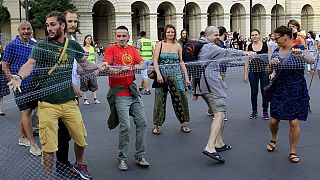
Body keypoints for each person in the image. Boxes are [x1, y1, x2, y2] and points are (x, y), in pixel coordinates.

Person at [8, 11, 93, 180]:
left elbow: (86, 65)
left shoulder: (73, 45)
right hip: (47, 105)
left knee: (81, 140)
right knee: (48, 147)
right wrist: (18, 76)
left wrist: (105, 67)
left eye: (52, 24)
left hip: (69, 103)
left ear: (62, 25)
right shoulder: (41, 45)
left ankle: (78, 165)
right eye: (47, 25)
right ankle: (48, 178)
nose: (49, 28)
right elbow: (29, 64)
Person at [193, 26, 254, 162]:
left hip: (204, 84)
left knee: (221, 113)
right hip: (212, 85)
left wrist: (194, 90)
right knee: (219, 114)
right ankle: (210, 146)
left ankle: (219, 142)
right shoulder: (210, 47)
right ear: (209, 35)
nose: (218, 37)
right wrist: (245, 53)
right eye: (216, 35)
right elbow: (226, 52)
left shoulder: (201, 45)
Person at [103, 25, 149, 171]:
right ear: (115, 37)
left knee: (142, 123)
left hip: (133, 92)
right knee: (126, 126)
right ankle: (121, 158)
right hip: (120, 93)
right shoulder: (111, 49)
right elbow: (106, 66)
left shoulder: (132, 50)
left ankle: (140, 155)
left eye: (124, 36)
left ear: (128, 37)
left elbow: (141, 63)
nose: (122, 38)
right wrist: (117, 69)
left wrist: (140, 66)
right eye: (119, 36)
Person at [266, 26, 313, 163]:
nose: (275, 41)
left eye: (276, 38)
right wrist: (271, 70)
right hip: (279, 88)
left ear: (285, 37)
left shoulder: (299, 48)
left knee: (294, 122)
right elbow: (270, 71)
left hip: (296, 89)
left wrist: (301, 54)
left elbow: (311, 60)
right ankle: (274, 137)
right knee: (274, 120)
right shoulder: (275, 51)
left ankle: (292, 151)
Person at [2, 21, 41, 156]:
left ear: (32, 31)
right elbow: (5, 65)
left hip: (33, 84)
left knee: (29, 112)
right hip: (19, 85)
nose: (26, 31)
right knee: (26, 112)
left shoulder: (33, 44)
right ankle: (32, 144)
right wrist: (11, 80)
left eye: (28, 29)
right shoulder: (12, 45)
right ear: (18, 31)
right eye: (23, 29)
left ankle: (22, 137)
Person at [55, 9, 84, 178]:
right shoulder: (59, 42)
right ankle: (62, 165)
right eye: (70, 21)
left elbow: (79, 65)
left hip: (71, 92)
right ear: (63, 22)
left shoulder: (72, 40)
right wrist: (72, 86)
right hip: (61, 93)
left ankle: (64, 164)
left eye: (75, 21)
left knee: (68, 131)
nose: (73, 24)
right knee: (63, 132)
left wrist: (101, 68)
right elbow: (58, 71)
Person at [152, 24, 190, 134]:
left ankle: (184, 123)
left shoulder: (178, 45)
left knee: (181, 97)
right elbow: (155, 61)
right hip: (162, 75)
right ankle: (156, 125)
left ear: (175, 33)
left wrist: (186, 76)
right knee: (159, 99)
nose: (170, 34)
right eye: (168, 32)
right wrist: (158, 74)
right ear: (165, 33)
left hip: (176, 75)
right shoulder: (160, 44)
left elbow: (181, 61)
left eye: (172, 32)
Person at [244, 29, 270, 120]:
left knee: (264, 91)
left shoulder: (266, 45)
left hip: (264, 71)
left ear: (259, 35)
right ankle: (254, 111)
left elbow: (270, 59)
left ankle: (265, 111)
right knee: (254, 92)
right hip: (253, 71)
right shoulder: (249, 46)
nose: (254, 36)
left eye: (256, 34)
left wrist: (271, 72)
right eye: (252, 35)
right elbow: (246, 61)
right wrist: (245, 74)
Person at [81, 34, 101, 105]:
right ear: (85, 40)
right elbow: (80, 59)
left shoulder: (93, 48)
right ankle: (85, 99)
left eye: (90, 39)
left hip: (92, 69)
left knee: (94, 84)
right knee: (84, 84)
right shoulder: (82, 49)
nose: (89, 40)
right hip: (84, 69)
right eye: (88, 38)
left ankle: (95, 99)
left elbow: (96, 58)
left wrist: (97, 67)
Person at [137, 31, 154, 95]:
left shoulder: (140, 41)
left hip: (142, 60)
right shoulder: (150, 41)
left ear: (140, 35)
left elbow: (138, 52)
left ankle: (147, 89)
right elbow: (153, 50)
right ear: (145, 35)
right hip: (149, 59)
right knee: (144, 73)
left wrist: (137, 61)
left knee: (144, 74)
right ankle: (141, 86)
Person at [0, 44, 9, 116]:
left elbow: (7, 63)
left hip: (1, 75)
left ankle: (0, 110)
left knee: (1, 94)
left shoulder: (3, 54)